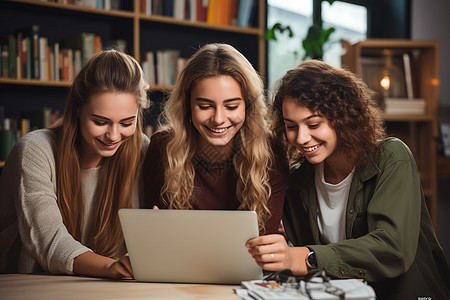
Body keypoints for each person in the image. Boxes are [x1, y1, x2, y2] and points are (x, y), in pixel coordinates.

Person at [246, 60, 450, 299]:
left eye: (313, 124)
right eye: (292, 126)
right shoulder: (298, 180)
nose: (301, 138)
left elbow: (392, 248)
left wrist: (306, 257)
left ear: (342, 116)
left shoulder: (392, 158)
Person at [0, 50, 150, 279]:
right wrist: (110, 267)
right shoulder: (35, 150)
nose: (113, 135)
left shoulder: (140, 149)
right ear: (77, 109)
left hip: (103, 288)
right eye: (100, 122)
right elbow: (50, 241)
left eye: (127, 122)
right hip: (28, 286)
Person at [141, 43, 289, 235]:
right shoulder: (162, 147)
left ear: (248, 105)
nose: (218, 119)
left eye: (232, 106)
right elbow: (154, 234)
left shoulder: (271, 151)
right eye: (205, 106)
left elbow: (262, 241)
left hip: (248, 263)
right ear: (187, 106)